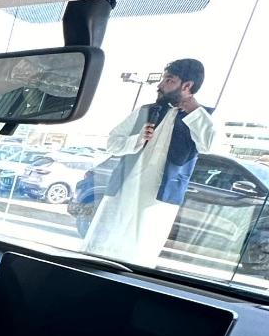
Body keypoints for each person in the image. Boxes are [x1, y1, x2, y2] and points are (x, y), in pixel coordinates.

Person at [83, 58, 219, 263]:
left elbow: (210, 146)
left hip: (158, 202)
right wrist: (136, 141)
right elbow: (112, 143)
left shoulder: (201, 118)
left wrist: (195, 111)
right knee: (98, 250)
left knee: (138, 258)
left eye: (169, 80)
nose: (160, 85)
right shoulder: (146, 110)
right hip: (122, 191)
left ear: (187, 86)